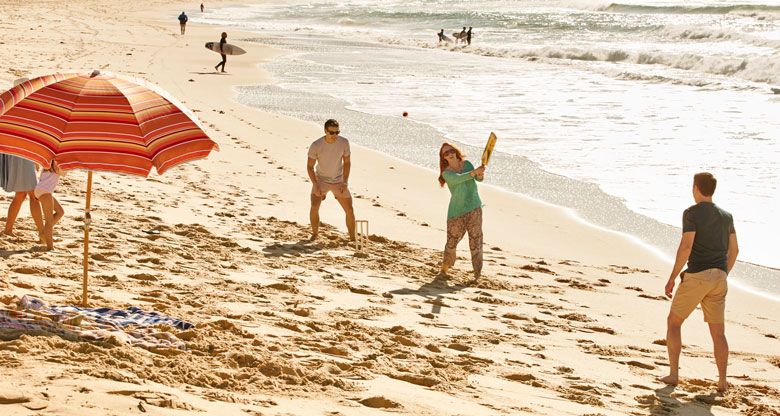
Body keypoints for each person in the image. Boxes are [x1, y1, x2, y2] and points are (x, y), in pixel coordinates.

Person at [659, 172, 738, 393]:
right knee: (718, 333)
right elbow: (735, 250)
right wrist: (723, 272)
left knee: (674, 322)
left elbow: (686, 247)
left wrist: (673, 276)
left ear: (695, 188)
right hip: (720, 278)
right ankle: (722, 382)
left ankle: (674, 375)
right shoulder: (726, 216)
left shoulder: (691, 213)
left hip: (697, 275)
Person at [438, 143, 485, 279]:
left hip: (474, 207)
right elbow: (459, 179)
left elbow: (478, 179)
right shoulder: (446, 173)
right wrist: (473, 173)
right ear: (443, 158)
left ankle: (477, 274)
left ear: (455, 151)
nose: (450, 154)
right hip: (456, 212)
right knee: (452, 242)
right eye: (446, 153)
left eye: (451, 151)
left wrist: (480, 174)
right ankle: (444, 270)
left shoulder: (467, 164)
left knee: (476, 241)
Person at [306, 119, 355, 242]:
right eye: (332, 133)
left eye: (337, 132)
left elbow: (347, 163)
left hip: (338, 181)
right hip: (321, 180)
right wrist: (315, 185)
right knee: (314, 206)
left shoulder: (344, 142)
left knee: (349, 209)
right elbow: (310, 167)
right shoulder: (316, 145)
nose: (335, 135)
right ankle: (315, 234)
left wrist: (345, 182)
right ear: (325, 131)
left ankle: (353, 238)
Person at [1, 154, 44, 239]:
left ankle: (8, 229)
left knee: (20, 195)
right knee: (34, 195)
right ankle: (42, 232)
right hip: (23, 154)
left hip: (18, 153)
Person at [34, 160, 66, 251]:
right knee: (48, 220)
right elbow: (64, 173)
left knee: (60, 212)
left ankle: (44, 233)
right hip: (45, 191)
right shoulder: (57, 165)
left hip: (41, 190)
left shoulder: (47, 164)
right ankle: (50, 247)